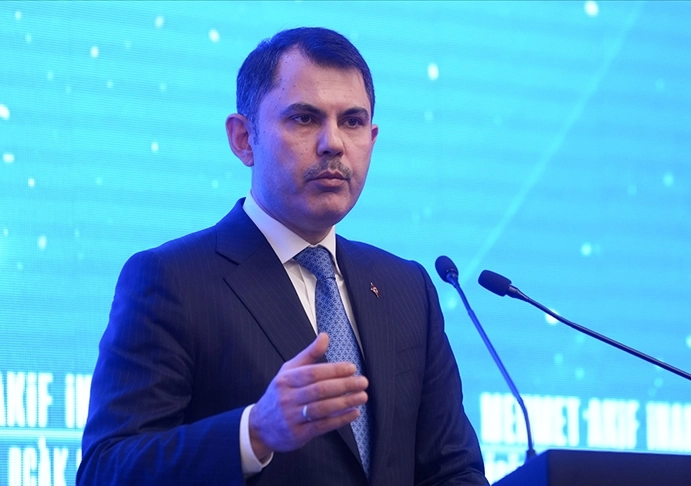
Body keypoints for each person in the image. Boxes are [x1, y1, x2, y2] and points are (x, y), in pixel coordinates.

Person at [78, 27, 488, 485]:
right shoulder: (172, 280)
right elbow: (106, 470)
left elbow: (453, 470)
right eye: (304, 118)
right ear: (243, 139)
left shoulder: (406, 288)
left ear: (372, 138)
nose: (333, 143)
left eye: (352, 121)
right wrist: (254, 432)